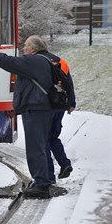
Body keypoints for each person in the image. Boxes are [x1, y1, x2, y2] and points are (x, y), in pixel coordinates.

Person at [0, 35, 58, 198]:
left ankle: (41, 185)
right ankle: (44, 179)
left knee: (35, 147)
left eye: (26, 46)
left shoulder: (33, 61)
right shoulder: (44, 61)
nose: (24, 49)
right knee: (40, 145)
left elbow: (10, 62)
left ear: (33, 49)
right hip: (42, 109)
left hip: (36, 110)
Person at [37, 49, 76, 182]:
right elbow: (69, 84)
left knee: (44, 140)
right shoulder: (62, 62)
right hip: (60, 105)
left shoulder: (37, 62)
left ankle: (49, 175)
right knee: (53, 137)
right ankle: (64, 163)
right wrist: (71, 103)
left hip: (45, 107)